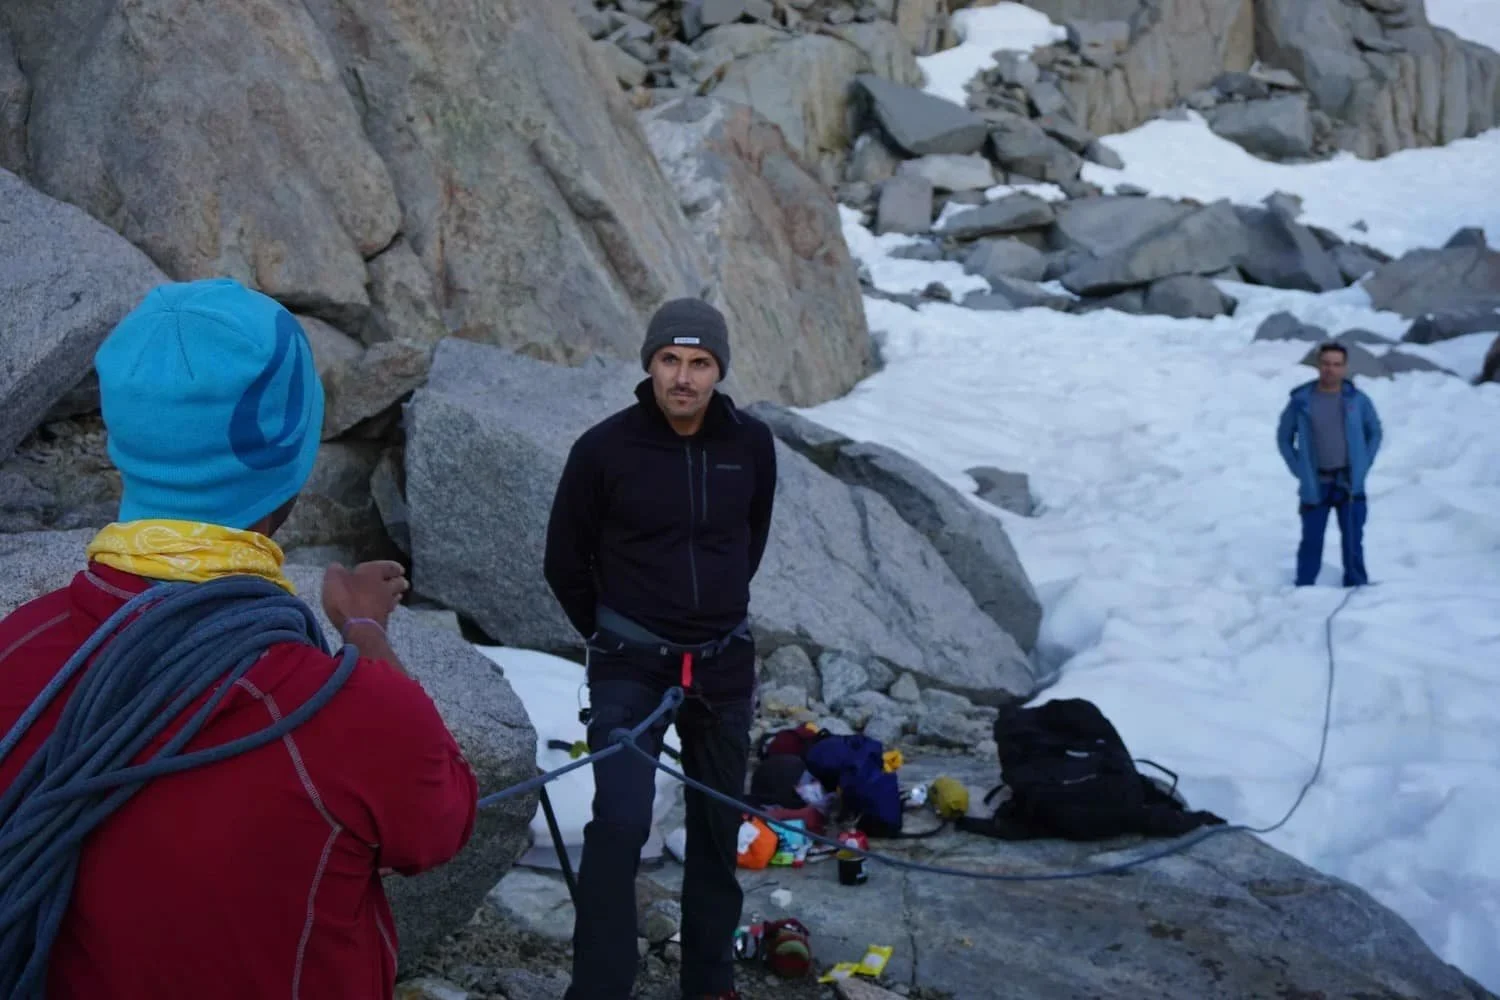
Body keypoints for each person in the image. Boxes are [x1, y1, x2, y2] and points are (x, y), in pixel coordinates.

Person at [0, 278, 478, 998]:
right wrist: (365, 632)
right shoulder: (352, 713)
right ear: (289, 455)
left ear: (123, 441)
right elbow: (439, 824)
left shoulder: (16, 648)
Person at [543, 297, 777, 1000]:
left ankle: (710, 984)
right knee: (618, 824)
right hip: (629, 664)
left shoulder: (751, 446)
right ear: (649, 363)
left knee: (717, 824)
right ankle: (599, 990)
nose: (684, 377)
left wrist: (711, 615)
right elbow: (564, 561)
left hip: (722, 663)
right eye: (671, 360)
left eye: (700, 362)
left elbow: (750, 541)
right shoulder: (603, 449)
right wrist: (616, 633)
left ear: (719, 370)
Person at [1276, 341, 1383, 587]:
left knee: (1353, 538)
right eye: (1325, 364)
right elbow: (1284, 437)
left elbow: (1374, 431)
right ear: (1318, 365)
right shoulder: (1301, 400)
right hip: (1316, 482)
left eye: (1336, 365)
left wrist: (1364, 463)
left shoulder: (1357, 400)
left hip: (1349, 481)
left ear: (1345, 368)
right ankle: (1304, 585)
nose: (1330, 370)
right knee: (1311, 539)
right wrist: (1298, 468)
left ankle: (1357, 585)